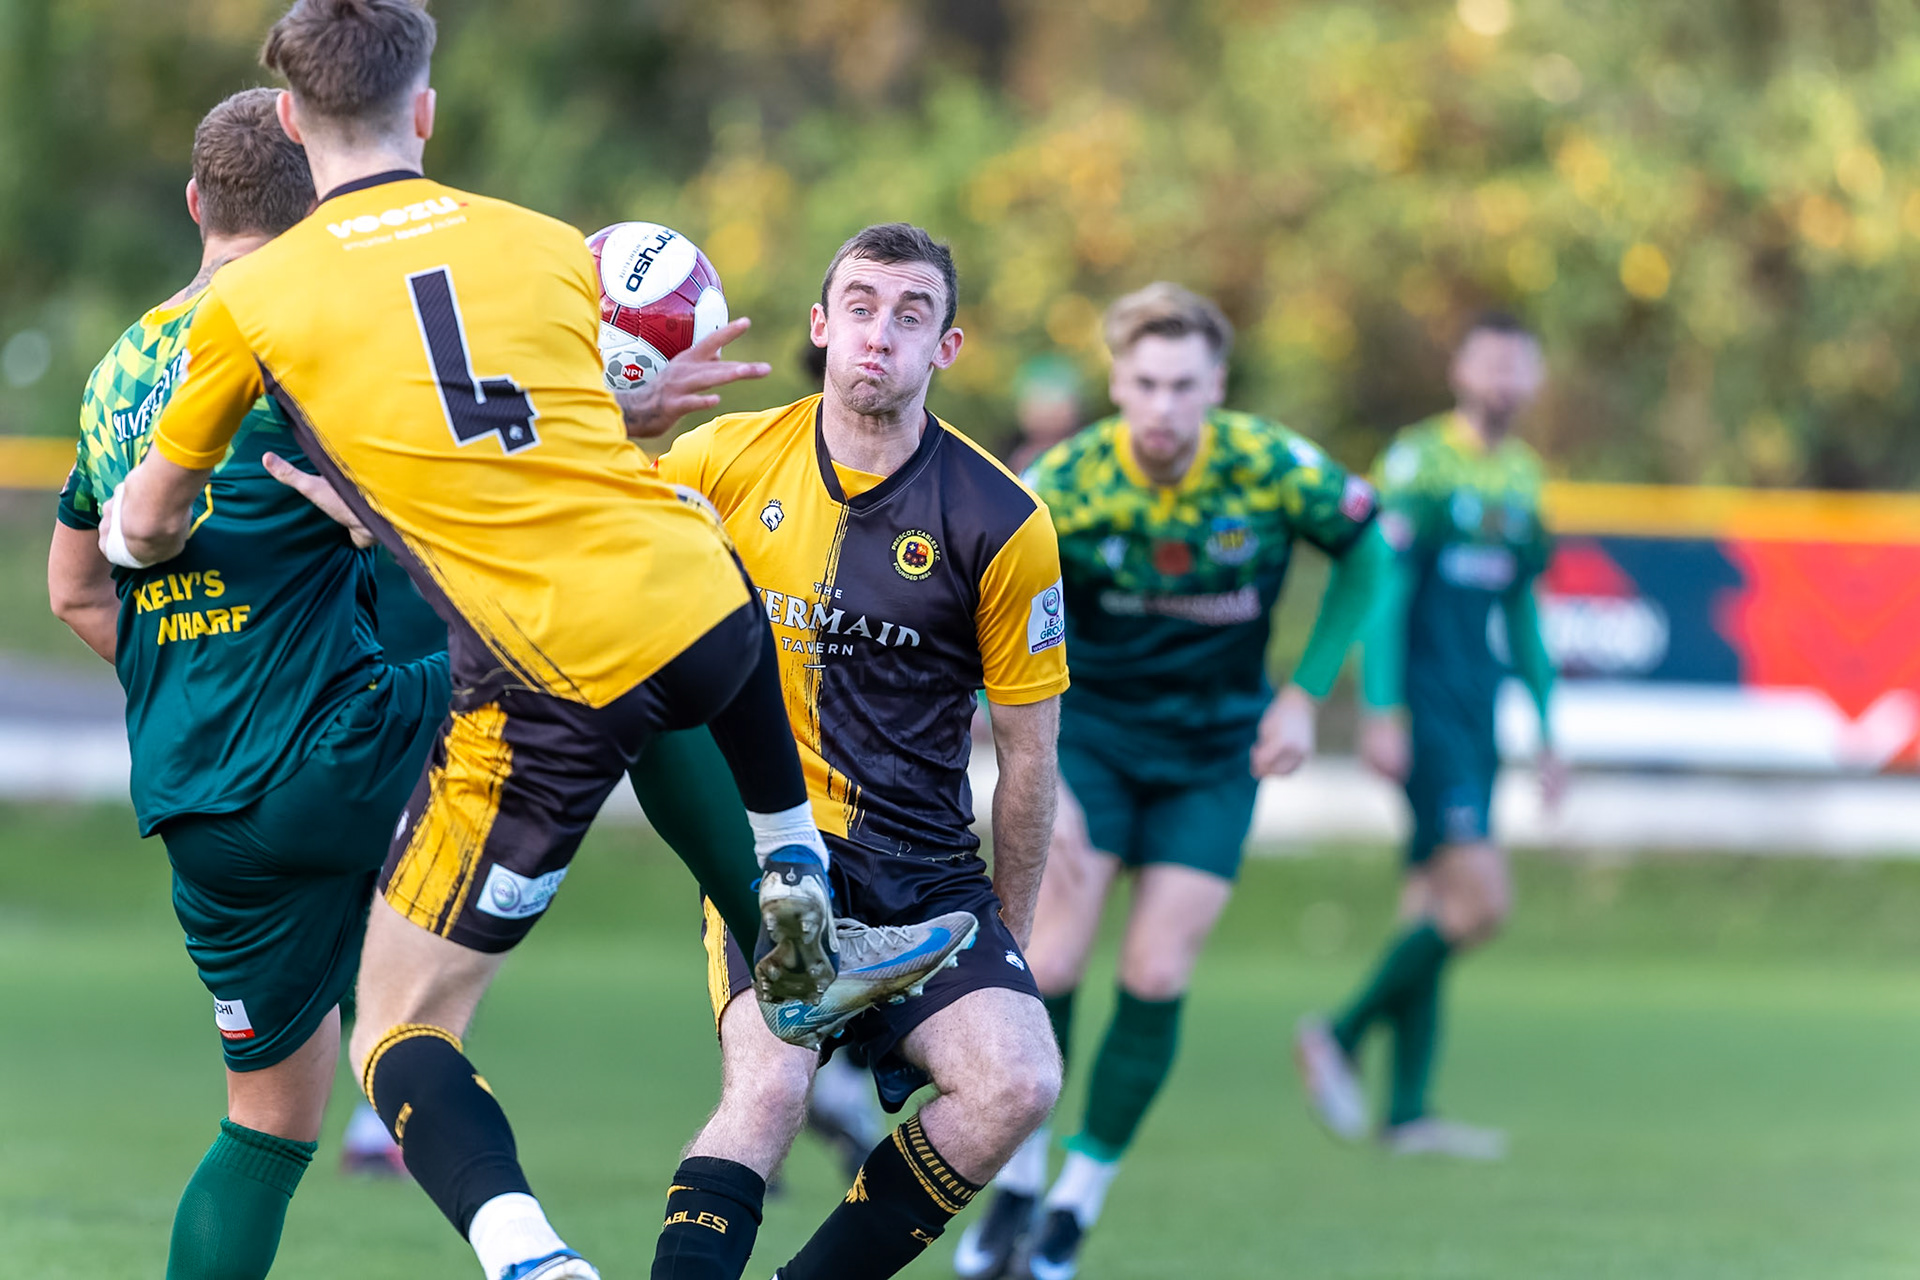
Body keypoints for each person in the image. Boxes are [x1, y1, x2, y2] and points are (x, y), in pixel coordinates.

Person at [101, 5, 956, 1278]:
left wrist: (133, 539)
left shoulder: (257, 298)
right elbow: (530, 425)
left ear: (289, 117)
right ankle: (803, 915)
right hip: (703, 597)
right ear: (427, 109)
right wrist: (634, 403)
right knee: (693, 704)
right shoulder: (549, 245)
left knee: (397, 1028)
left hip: (549, 670)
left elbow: (149, 519)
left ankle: (531, 1259)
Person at [46, 87, 452, 1279]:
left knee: (267, 1125)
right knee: (597, 650)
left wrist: (205, 666)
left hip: (197, 801)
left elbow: (75, 589)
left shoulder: (119, 370)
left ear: (192, 203)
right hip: (333, 747)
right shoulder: (318, 332)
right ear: (324, 193)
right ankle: (787, 910)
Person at [632, 222, 1069, 1280]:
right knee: (771, 1086)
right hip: (772, 849)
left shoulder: (1005, 521)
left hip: (924, 862)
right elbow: (578, 510)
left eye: (911, 314)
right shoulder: (717, 462)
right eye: (861, 307)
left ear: (947, 349)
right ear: (822, 327)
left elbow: (1030, 758)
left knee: (1017, 1077)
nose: (881, 333)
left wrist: (1004, 931)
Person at [955, 283, 1391, 1280]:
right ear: (1116, 382)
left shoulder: (1269, 465)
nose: (1161, 405)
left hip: (1214, 757)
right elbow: (987, 587)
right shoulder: (1066, 480)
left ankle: (1076, 1200)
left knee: (1155, 972)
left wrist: (1304, 692)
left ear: (1216, 386)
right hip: (1094, 742)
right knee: (1052, 960)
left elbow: (1372, 555)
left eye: (1183, 384)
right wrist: (995, 712)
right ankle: (1019, 1173)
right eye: (1144, 382)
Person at [1294, 311, 1561, 1160]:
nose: (1505, 380)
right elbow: (1386, 589)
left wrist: (1548, 730)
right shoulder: (1418, 463)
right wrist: (1383, 708)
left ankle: (1407, 1114)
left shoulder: (1521, 477)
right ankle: (1337, 1035)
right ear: (1460, 370)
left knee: (1432, 909)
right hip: (1427, 712)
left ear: (1535, 380)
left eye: (1519, 366)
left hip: (1479, 719)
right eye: (1491, 363)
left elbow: (1520, 615)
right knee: (1483, 903)